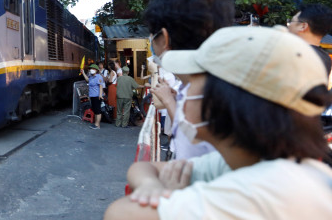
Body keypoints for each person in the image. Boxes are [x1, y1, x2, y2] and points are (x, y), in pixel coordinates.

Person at [104, 26, 332, 220]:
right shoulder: (248, 159)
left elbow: (118, 212)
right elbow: (145, 168)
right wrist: (151, 187)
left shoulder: (266, 191)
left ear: (220, 102)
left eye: (192, 80)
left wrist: (169, 194)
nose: (181, 90)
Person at [144, 0, 234, 159]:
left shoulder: (204, 102)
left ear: (164, 38)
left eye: (152, 35)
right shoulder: (194, 90)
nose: (151, 41)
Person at [287, 3, 332, 77]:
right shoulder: (326, 58)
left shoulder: (296, 55)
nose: (289, 25)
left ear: (303, 26)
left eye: (290, 21)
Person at [82, 63, 104, 129]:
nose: (91, 70)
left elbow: (101, 86)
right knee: (95, 110)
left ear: (96, 70)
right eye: (91, 69)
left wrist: (100, 95)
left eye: (93, 69)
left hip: (97, 96)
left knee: (98, 111)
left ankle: (97, 125)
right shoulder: (91, 77)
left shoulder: (99, 77)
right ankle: (96, 124)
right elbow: (87, 80)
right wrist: (83, 73)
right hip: (92, 96)